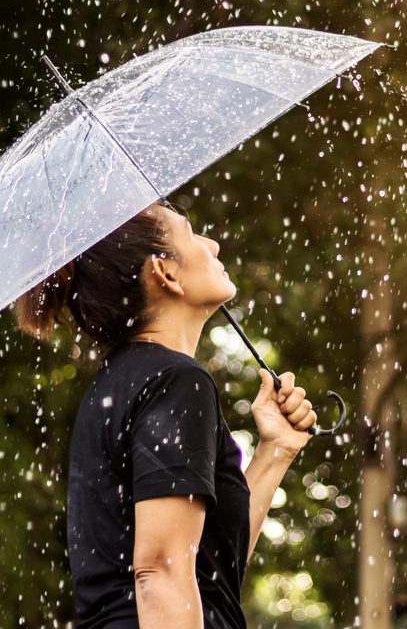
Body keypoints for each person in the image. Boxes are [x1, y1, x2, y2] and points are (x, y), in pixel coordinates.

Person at [15, 202, 317, 627]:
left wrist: (276, 451)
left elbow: (210, 569)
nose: (213, 246)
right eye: (191, 235)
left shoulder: (121, 382)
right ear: (165, 272)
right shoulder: (175, 381)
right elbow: (161, 572)